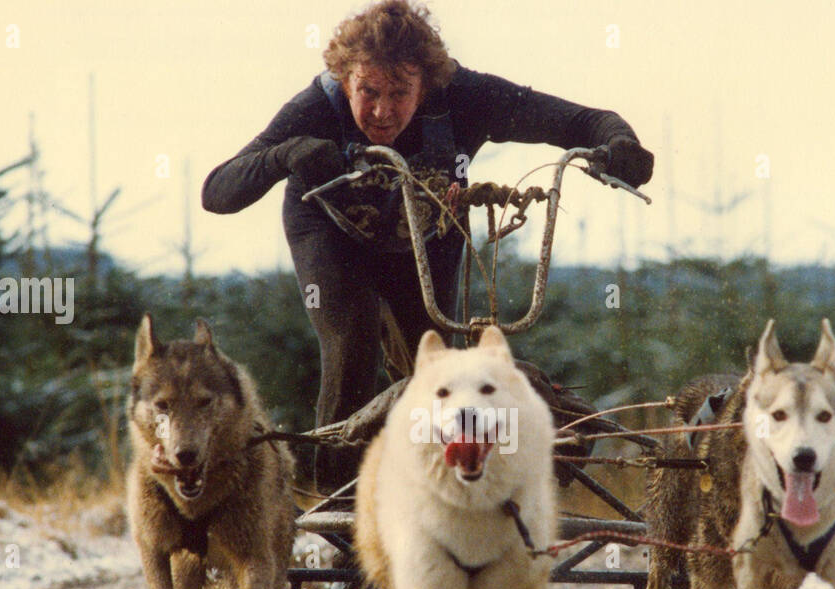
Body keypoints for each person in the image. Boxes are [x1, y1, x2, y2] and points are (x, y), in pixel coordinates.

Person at [203, 0, 653, 493]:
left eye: (400, 92)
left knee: (435, 363)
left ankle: (443, 491)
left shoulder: (469, 96)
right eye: (367, 91)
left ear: (429, 85)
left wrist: (619, 144)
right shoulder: (314, 107)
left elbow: (584, 121)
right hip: (331, 235)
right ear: (345, 78)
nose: (381, 110)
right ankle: (339, 514)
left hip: (426, 232)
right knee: (351, 339)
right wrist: (286, 154)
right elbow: (217, 192)